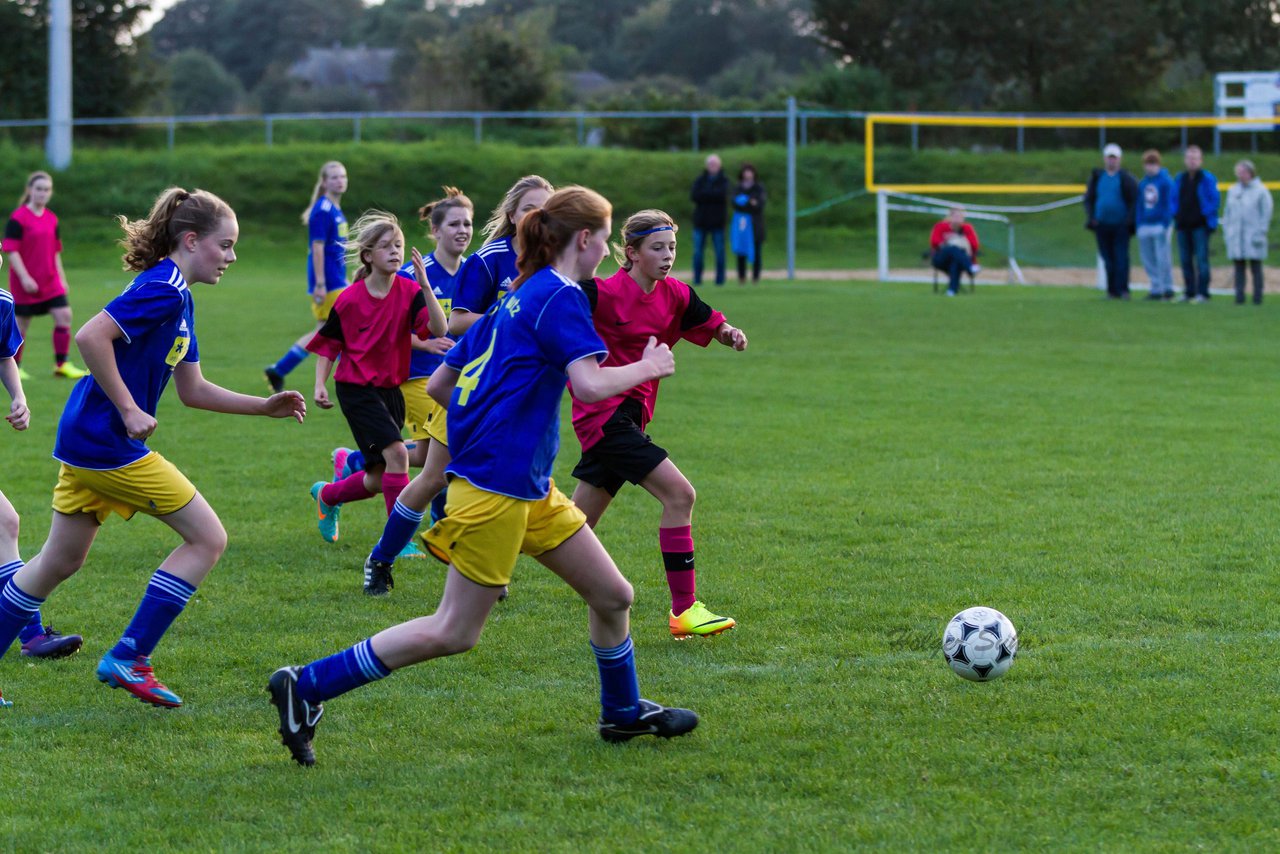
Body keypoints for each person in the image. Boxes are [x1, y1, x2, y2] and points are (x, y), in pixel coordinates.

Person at [268, 186, 699, 767]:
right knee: (455, 630)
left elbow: (444, 385)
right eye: (606, 237)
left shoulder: (519, 295)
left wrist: (492, 425)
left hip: (525, 486)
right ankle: (308, 684)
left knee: (613, 595)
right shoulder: (561, 298)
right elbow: (591, 386)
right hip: (497, 489)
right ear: (587, 240)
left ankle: (621, 713)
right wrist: (649, 365)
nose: (608, 251)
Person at [0, 188, 307, 709]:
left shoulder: (179, 296)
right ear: (191, 240)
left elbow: (193, 390)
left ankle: (122, 654)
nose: (232, 257)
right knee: (207, 539)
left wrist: (264, 405)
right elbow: (91, 337)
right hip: (107, 444)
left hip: (86, 441)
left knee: (58, 561)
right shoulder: (164, 288)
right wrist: (127, 407)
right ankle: (130, 656)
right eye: (226, 245)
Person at [569, 209, 747, 638]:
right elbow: (553, 316)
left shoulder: (676, 295)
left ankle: (484, 555)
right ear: (630, 253)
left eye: (672, 247)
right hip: (604, 416)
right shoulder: (598, 293)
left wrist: (729, 334)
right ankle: (684, 610)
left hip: (631, 415)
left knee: (571, 524)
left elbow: (709, 321)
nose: (667, 256)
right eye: (657, 248)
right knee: (680, 495)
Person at [335, 189, 471, 584]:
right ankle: (427, 534)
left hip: (455, 378)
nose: (462, 231)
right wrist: (425, 342)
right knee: (439, 465)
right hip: (415, 378)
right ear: (434, 230)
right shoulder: (412, 270)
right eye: (454, 224)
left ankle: (357, 462)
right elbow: (386, 328)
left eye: (467, 223)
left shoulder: (473, 271)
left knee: (429, 458)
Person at [307, 213, 448, 546]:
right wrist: (319, 385)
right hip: (356, 389)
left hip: (391, 390)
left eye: (398, 245)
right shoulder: (350, 299)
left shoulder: (411, 290)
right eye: (386, 246)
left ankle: (328, 496)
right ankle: (399, 543)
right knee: (399, 454)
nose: (395, 252)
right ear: (368, 256)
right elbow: (329, 346)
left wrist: (426, 285)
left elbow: (440, 330)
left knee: (377, 477)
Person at [0, 270, 82, 691]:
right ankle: (29, 633)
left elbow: (3, 354)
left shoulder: (1, 303)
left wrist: (19, 395)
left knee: (5, 524)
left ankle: (29, 633)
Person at [264, 161, 349, 391]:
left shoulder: (334, 209)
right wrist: (321, 283)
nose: (339, 180)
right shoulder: (322, 211)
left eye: (342, 176)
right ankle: (353, 380)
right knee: (339, 329)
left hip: (337, 280)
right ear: (324, 182)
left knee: (327, 329)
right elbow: (318, 248)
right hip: (328, 282)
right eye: (334, 177)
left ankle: (279, 369)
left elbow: (335, 249)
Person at [2, 171, 89, 380]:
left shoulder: (51, 218)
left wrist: (62, 278)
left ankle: (62, 364)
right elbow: (11, 251)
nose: (42, 193)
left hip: (50, 281)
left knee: (64, 315)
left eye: (46, 189)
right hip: (26, 282)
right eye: (39, 189)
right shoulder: (18, 218)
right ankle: (17, 366)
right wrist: (24, 277)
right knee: (21, 324)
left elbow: (55, 251)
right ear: (30, 190)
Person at [448, 175, 553, 337]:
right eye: (528, 209)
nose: (536, 217)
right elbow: (457, 323)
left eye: (543, 211)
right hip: (494, 360)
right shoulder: (487, 260)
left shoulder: (559, 260)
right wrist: (512, 320)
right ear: (512, 216)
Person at [1084, 143, 1138, 300]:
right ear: (1105, 158)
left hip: (1121, 225)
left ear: (1119, 159)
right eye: (1109, 158)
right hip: (1102, 224)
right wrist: (1092, 218)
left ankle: (1123, 289)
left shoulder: (1126, 178)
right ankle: (1112, 290)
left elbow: (1133, 200)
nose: (1111, 161)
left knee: (1121, 257)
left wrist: (1129, 221)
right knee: (1108, 259)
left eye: (1114, 158)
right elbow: (1089, 199)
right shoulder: (1097, 178)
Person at [1170, 145, 1220, 303]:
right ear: (1185, 160)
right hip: (1183, 225)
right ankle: (1189, 291)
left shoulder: (1207, 178)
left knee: (1201, 260)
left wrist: (1206, 216)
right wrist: (1176, 214)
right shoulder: (1180, 178)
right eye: (1189, 158)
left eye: (1195, 158)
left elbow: (1214, 200)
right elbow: (1173, 199)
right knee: (1185, 260)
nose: (1192, 161)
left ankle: (1203, 292)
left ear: (1200, 160)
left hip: (1200, 225)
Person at [1222, 159, 1274, 305]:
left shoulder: (1261, 191)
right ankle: (1239, 297)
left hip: (1253, 236)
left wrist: (1261, 231)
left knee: (1256, 267)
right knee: (1239, 267)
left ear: (1250, 172)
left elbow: (1266, 213)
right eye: (1238, 172)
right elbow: (1228, 213)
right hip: (1237, 236)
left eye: (1243, 172)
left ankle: (1257, 297)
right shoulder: (1233, 190)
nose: (1240, 175)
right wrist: (1228, 230)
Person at [1136, 150, 1176, 301]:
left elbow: (1169, 203)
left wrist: (1166, 222)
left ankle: (1168, 287)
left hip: (1160, 224)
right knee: (1148, 258)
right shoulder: (1143, 183)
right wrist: (1139, 222)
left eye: (1153, 164)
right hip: (1145, 224)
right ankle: (1155, 287)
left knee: (1163, 257)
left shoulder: (1165, 181)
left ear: (1158, 164)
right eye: (1147, 164)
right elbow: (1139, 205)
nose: (1150, 167)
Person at [689, 154, 728, 286]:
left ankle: (720, 280)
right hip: (701, 222)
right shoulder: (700, 180)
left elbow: (722, 195)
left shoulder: (724, 180)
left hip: (718, 222)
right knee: (698, 252)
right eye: (710, 164)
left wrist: (706, 194)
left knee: (720, 252)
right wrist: (712, 194)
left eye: (715, 164)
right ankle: (697, 279)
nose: (713, 167)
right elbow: (694, 195)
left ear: (719, 165)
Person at [929, 207, 981, 297]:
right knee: (953, 248)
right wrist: (949, 241)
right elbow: (934, 242)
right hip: (941, 258)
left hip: (959, 259)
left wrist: (963, 242)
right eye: (956, 216)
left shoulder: (967, 228)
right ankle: (970, 268)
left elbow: (974, 245)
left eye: (960, 217)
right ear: (950, 217)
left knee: (955, 261)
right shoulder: (941, 226)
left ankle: (951, 291)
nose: (958, 219)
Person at [731, 164, 766, 284]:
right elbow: (734, 203)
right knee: (741, 252)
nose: (748, 174)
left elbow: (759, 205)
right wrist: (750, 202)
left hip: (755, 225)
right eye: (746, 171)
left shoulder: (758, 188)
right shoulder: (738, 188)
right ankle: (741, 278)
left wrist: (745, 202)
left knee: (756, 252)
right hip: (741, 226)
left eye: (750, 171)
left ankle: (756, 277)